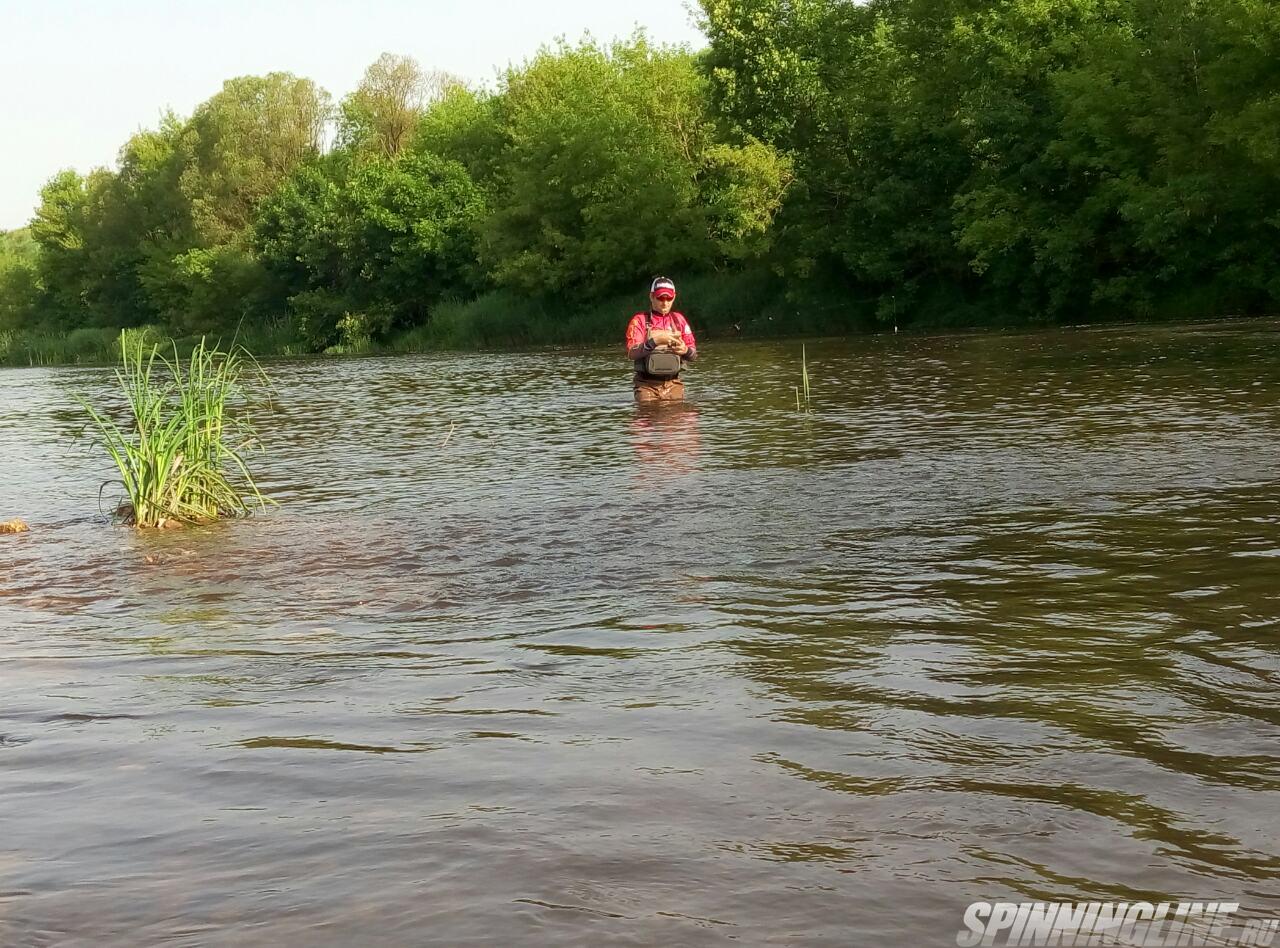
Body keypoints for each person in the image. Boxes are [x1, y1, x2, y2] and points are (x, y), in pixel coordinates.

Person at [624, 276, 698, 403]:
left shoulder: (679, 320)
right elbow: (632, 353)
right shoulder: (639, 321)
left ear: (674, 297)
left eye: (668, 298)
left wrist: (684, 350)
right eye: (660, 298)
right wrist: (655, 341)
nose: (665, 302)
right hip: (645, 385)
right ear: (651, 297)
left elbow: (693, 355)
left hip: (673, 384)